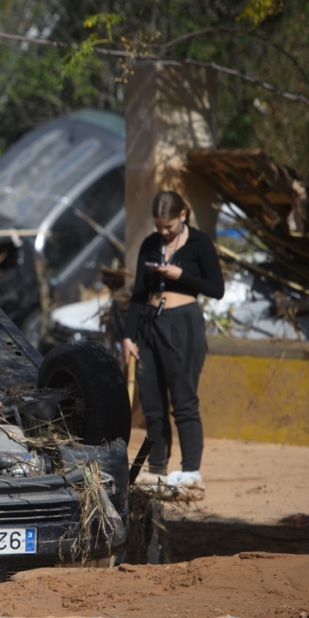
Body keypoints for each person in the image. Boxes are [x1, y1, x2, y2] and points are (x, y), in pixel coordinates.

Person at [122, 190, 224, 493]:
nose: (163, 232)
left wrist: (180, 274)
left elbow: (216, 289)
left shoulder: (199, 243)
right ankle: (156, 468)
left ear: (182, 215)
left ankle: (191, 470)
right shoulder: (150, 245)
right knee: (152, 404)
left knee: (183, 401)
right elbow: (139, 292)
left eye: (168, 226)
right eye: (158, 226)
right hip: (149, 325)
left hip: (183, 323)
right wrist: (129, 335)